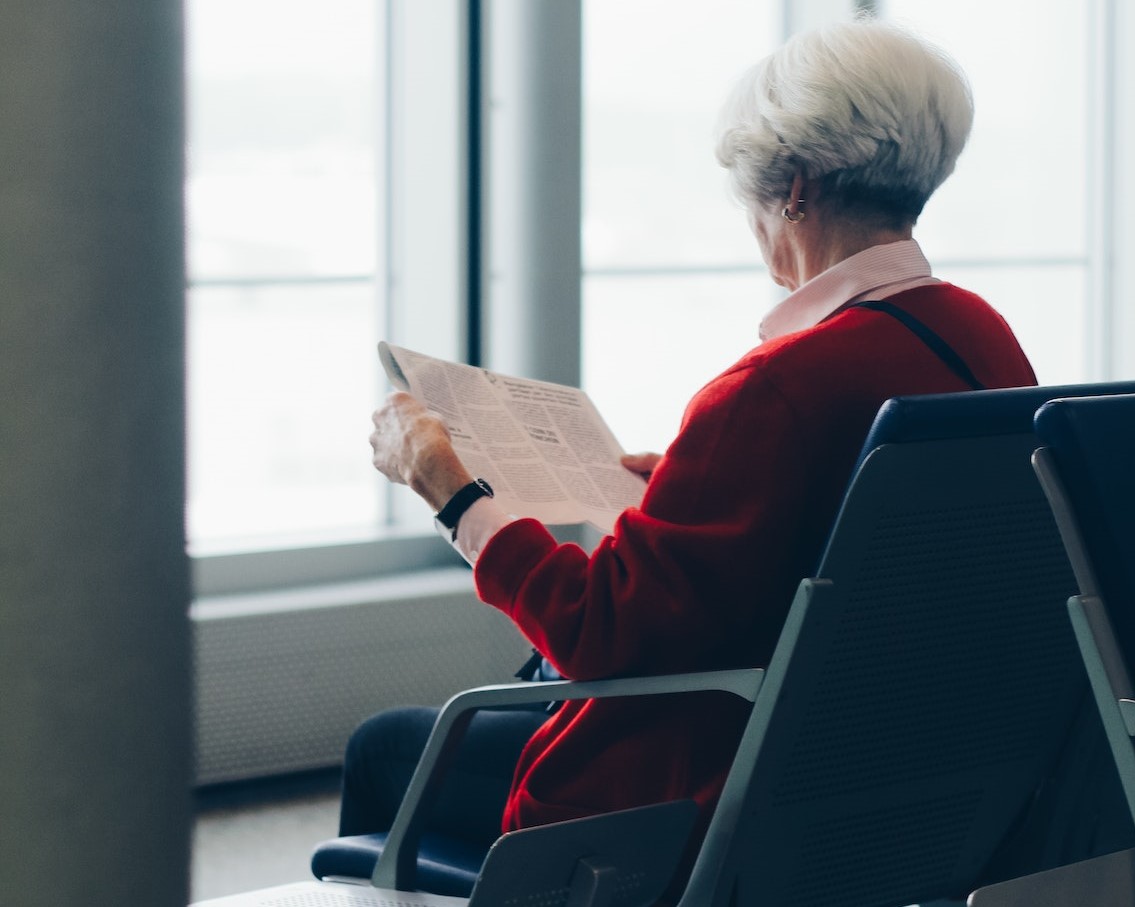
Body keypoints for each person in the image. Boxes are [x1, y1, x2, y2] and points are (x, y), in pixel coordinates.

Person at [345, 14, 1038, 894]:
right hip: (894, 777)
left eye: (750, 198)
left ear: (793, 187)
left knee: (386, 748)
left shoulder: (775, 388)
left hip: (697, 793)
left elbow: (603, 632)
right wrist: (679, 489)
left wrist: (452, 492)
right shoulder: (983, 339)